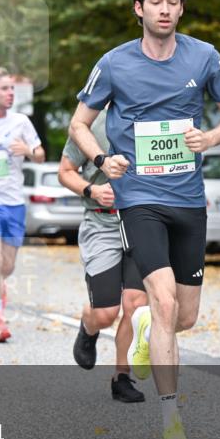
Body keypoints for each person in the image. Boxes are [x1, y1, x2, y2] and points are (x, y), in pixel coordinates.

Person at [69, 0, 220, 439]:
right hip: (139, 199)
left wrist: (209, 136)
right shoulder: (115, 63)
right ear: (138, 8)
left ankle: (147, 326)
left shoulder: (205, 57)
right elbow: (79, 124)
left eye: (173, 2)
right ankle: (173, 426)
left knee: (183, 316)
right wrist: (105, 159)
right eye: (156, 2)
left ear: (181, 7)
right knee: (164, 301)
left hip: (189, 200)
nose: (164, 10)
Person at [59, 106, 148, 403]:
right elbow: (65, 172)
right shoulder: (88, 124)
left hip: (141, 223)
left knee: (135, 305)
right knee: (106, 313)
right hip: (102, 223)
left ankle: (121, 377)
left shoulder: (150, 115)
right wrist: (91, 191)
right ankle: (89, 325)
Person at [0, 67, 45, 342]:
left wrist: (28, 151)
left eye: (12, 88)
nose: (10, 93)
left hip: (14, 203)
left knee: (8, 266)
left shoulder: (22, 122)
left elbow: (39, 155)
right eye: (4, 89)